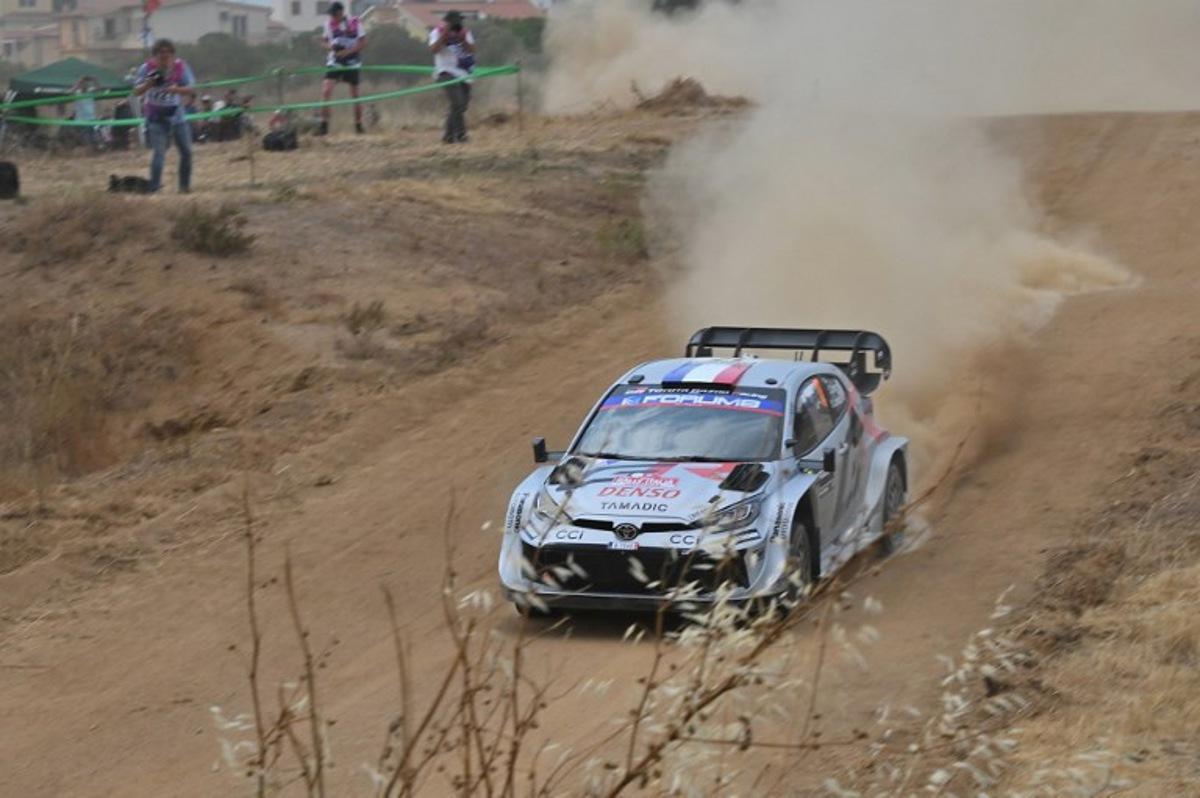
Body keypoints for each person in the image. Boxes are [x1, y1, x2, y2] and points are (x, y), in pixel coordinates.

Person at [132, 39, 196, 193]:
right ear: (155, 55)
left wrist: (176, 89)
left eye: (168, 52)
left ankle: (184, 187)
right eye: (161, 53)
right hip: (156, 118)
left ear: (173, 54)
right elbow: (136, 91)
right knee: (159, 154)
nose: (165, 56)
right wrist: (149, 83)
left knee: (187, 152)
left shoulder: (180, 67)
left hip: (178, 118)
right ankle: (155, 188)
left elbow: (191, 88)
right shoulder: (146, 68)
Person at [319, 1, 367, 136]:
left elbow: (363, 42)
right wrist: (331, 47)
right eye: (331, 15)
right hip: (335, 62)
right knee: (326, 91)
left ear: (341, 13)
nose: (332, 17)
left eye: (334, 15)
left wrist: (349, 51)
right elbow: (324, 41)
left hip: (352, 62)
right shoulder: (328, 24)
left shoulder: (355, 22)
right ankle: (323, 126)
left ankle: (358, 125)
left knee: (355, 95)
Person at [429, 10, 476, 144]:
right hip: (445, 72)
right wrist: (444, 35)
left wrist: (462, 39)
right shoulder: (437, 32)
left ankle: (448, 136)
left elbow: (471, 50)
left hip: (463, 72)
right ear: (447, 22)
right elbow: (434, 50)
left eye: (459, 21)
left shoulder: (465, 32)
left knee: (462, 106)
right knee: (457, 103)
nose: (457, 24)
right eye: (454, 22)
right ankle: (461, 135)